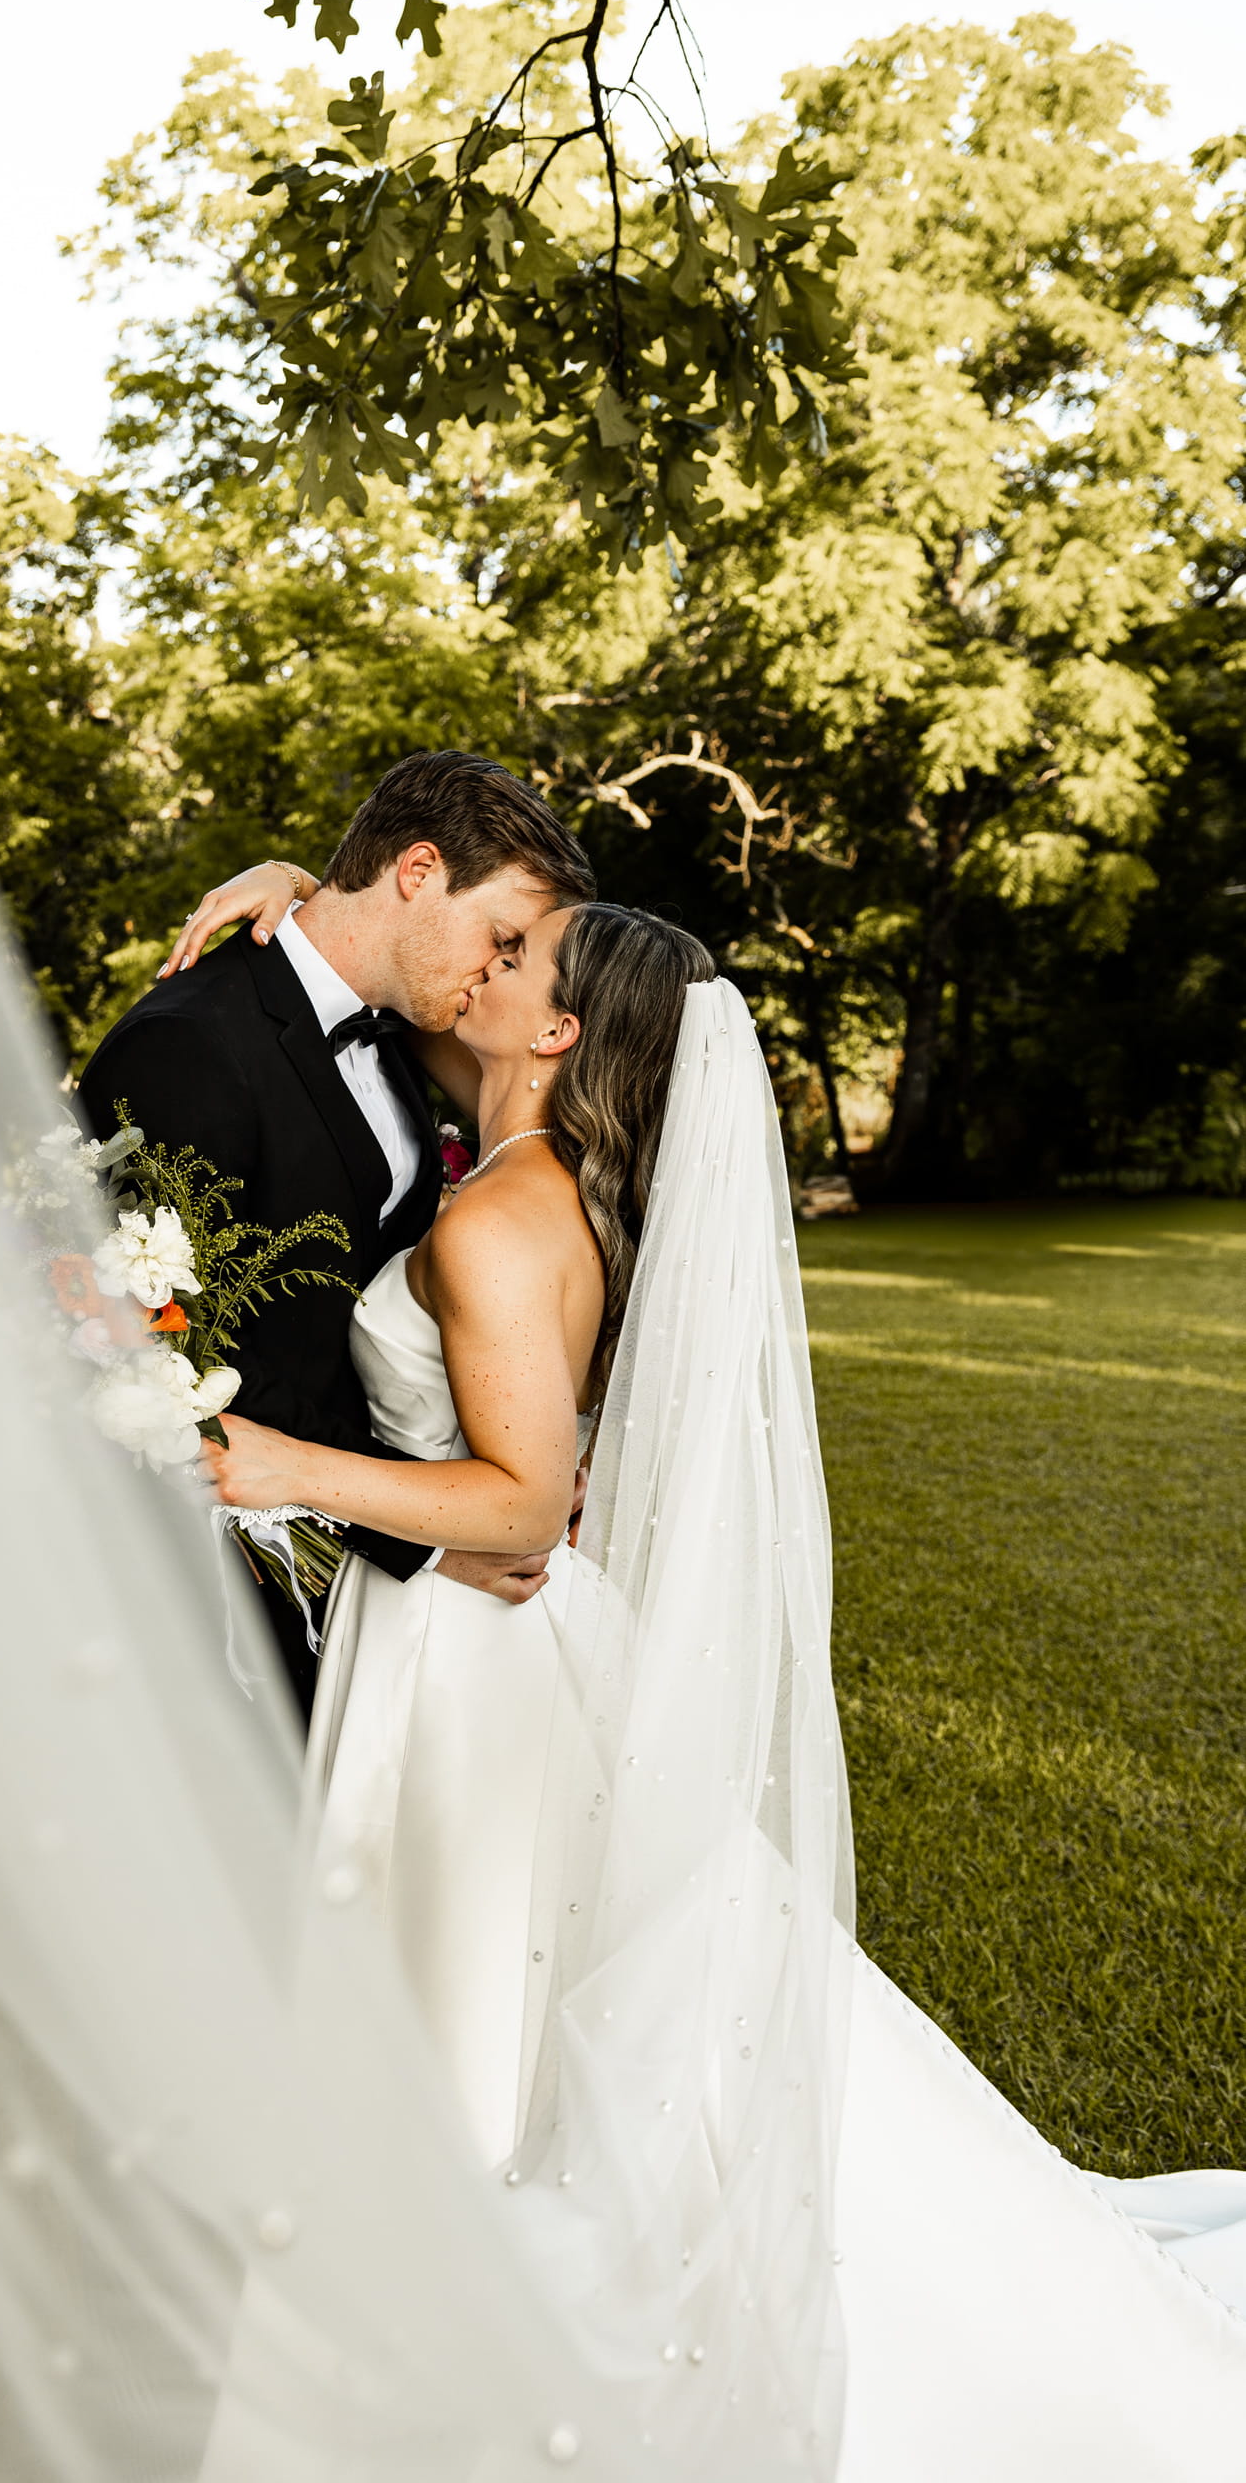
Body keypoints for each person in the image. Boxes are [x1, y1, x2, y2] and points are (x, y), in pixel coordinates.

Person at [173, 859, 1246, 2482]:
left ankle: (431, 2350)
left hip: (478, 1664)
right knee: (529, 1997)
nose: (481, 962)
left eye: (518, 954)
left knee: (476, 2005)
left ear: (560, 1027)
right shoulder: (553, 1193)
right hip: (490, 1640)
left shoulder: (489, 1224)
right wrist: (283, 893)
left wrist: (275, 1466)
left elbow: (529, 1499)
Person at [75, 749, 595, 1719]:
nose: (499, 968)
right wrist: (435, 1530)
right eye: (502, 935)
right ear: (418, 872)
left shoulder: (404, 1026)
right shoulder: (188, 1044)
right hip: (229, 1582)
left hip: (354, 1553)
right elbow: (170, 1349)